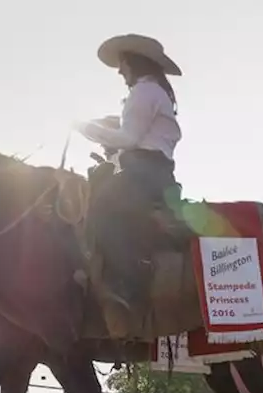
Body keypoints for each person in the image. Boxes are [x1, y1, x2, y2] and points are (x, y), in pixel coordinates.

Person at [74, 34, 184, 317]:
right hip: (152, 169)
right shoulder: (152, 93)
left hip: (143, 171)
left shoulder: (144, 93)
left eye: (122, 65)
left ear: (134, 63)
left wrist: (86, 128)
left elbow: (128, 137)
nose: (120, 71)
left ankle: (128, 287)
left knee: (101, 208)